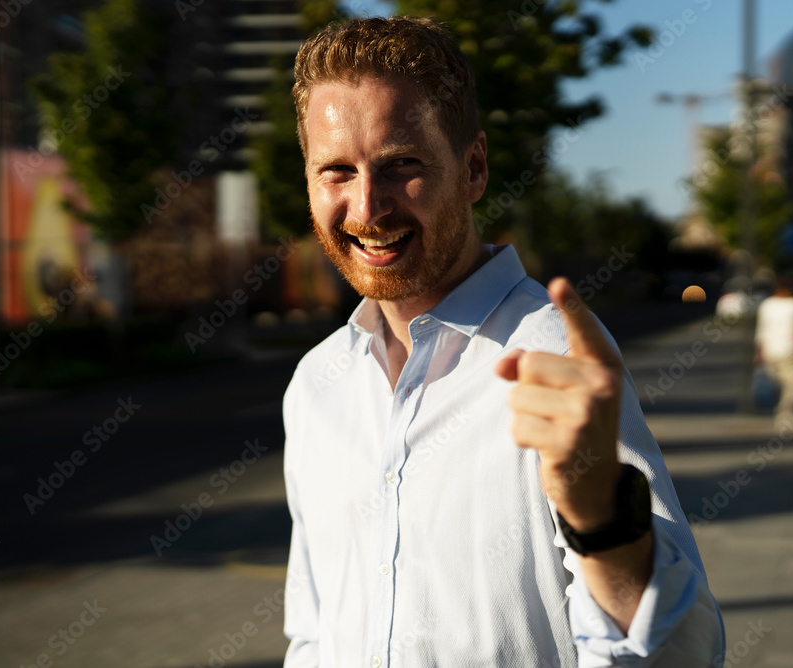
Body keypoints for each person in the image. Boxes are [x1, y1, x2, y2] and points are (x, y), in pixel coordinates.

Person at [281, 17, 723, 667]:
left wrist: (604, 524)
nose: (368, 207)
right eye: (337, 171)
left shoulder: (557, 358)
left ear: (475, 169)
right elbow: (313, 633)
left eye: (402, 165)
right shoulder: (317, 384)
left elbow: (686, 653)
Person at [753, 275, 793, 432]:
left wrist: (759, 352)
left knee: (779, 385)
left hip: (771, 351)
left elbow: (761, 331)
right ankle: (785, 414)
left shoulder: (767, 305)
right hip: (791, 349)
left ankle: (786, 418)